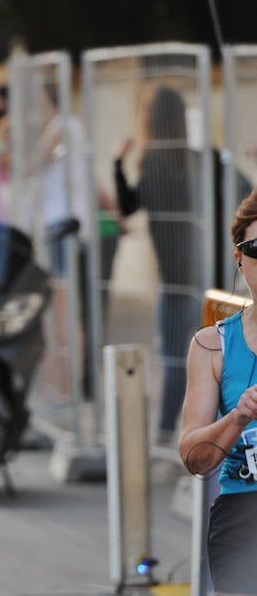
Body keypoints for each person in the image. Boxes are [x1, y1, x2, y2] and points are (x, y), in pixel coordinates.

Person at [179, 188, 257, 595]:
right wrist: (238, 416)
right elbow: (194, 459)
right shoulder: (212, 345)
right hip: (244, 514)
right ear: (239, 258)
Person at [114, 84, 202, 446]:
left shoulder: (152, 164)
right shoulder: (199, 160)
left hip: (173, 278)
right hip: (201, 274)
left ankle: (170, 432)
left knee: (173, 360)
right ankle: (194, 429)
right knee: (201, 359)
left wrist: (117, 164)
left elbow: (129, 206)